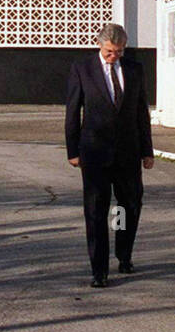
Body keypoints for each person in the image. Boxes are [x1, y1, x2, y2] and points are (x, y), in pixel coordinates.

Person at [65, 23, 154, 287]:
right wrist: (73, 149)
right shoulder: (83, 69)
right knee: (95, 211)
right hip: (94, 153)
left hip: (128, 153)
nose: (114, 56)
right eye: (109, 52)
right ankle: (99, 270)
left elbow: (141, 112)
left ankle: (124, 255)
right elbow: (72, 111)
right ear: (99, 45)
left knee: (130, 206)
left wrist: (147, 150)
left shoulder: (134, 70)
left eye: (118, 52)